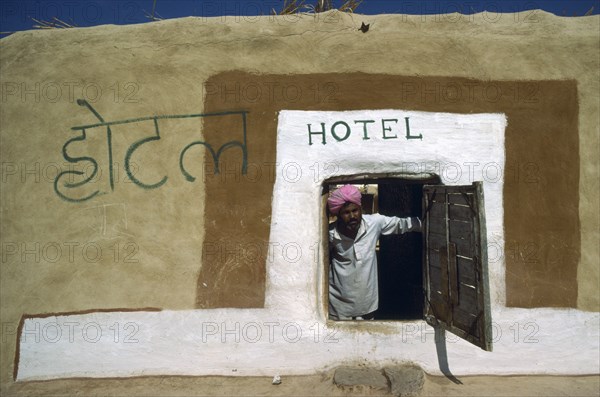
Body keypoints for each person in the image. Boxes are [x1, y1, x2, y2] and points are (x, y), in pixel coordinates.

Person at [327, 184, 422, 320]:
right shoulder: (330, 234)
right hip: (338, 306)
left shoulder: (374, 223)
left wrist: (431, 224)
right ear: (338, 215)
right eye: (346, 213)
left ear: (361, 209)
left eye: (355, 210)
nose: (352, 216)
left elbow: (403, 224)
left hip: (367, 304)